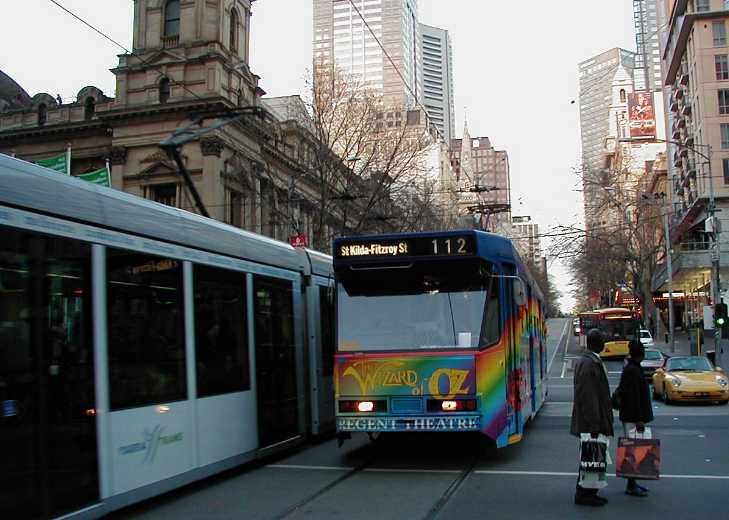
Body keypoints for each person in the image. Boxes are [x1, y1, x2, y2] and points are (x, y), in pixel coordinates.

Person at [571, 329, 614, 507]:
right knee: (591, 458)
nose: (605, 343)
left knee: (592, 459)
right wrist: (595, 423)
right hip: (591, 423)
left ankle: (589, 492)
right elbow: (588, 397)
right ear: (597, 343)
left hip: (593, 420)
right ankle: (585, 493)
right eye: (602, 339)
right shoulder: (589, 364)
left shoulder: (590, 361)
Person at [616, 339, 654, 497]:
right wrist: (639, 418)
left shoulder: (631, 368)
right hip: (633, 417)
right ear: (641, 354)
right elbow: (634, 396)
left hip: (631, 416)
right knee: (633, 450)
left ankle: (633, 483)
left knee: (634, 449)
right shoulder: (632, 370)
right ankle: (631, 485)